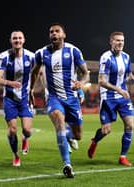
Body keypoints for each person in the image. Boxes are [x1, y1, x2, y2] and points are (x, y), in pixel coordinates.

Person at [29, 23, 89, 178]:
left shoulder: (73, 51)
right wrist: (30, 90)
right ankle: (67, 164)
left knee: (78, 135)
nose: (54, 34)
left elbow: (85, 73)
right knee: (59, 123)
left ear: (64, 35)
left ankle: (69, 136)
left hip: (72, 98)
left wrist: (81, 83)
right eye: (51, 32)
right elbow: (34, 73)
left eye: (57, 31)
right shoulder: (42, 53)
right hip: (53, 98)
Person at [87, 31, 134, 166]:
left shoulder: (126, 57)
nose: (120, 43)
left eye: (122, 40)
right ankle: (95, 141)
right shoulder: (106, 57)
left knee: (130, 125)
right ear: (111, 42)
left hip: (123, 98)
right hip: (108, 98)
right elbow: (102, 81)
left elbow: (128, 75)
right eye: (117, 40)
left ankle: (122, 157)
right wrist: (119, 90)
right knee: (106, 130)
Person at [0, 30, 35, 167]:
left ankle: (25, 139)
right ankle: (16, 155)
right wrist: (9, 83)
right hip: (9, 98)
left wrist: (32, 90)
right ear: (11, 41)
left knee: (28, 130)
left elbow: (37, 73)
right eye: (14, 38)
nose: (17, 40)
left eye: (20, 38)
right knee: (12, 130)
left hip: (24, 98)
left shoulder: (31, 56)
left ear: (24, 40)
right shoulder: (4, 56)